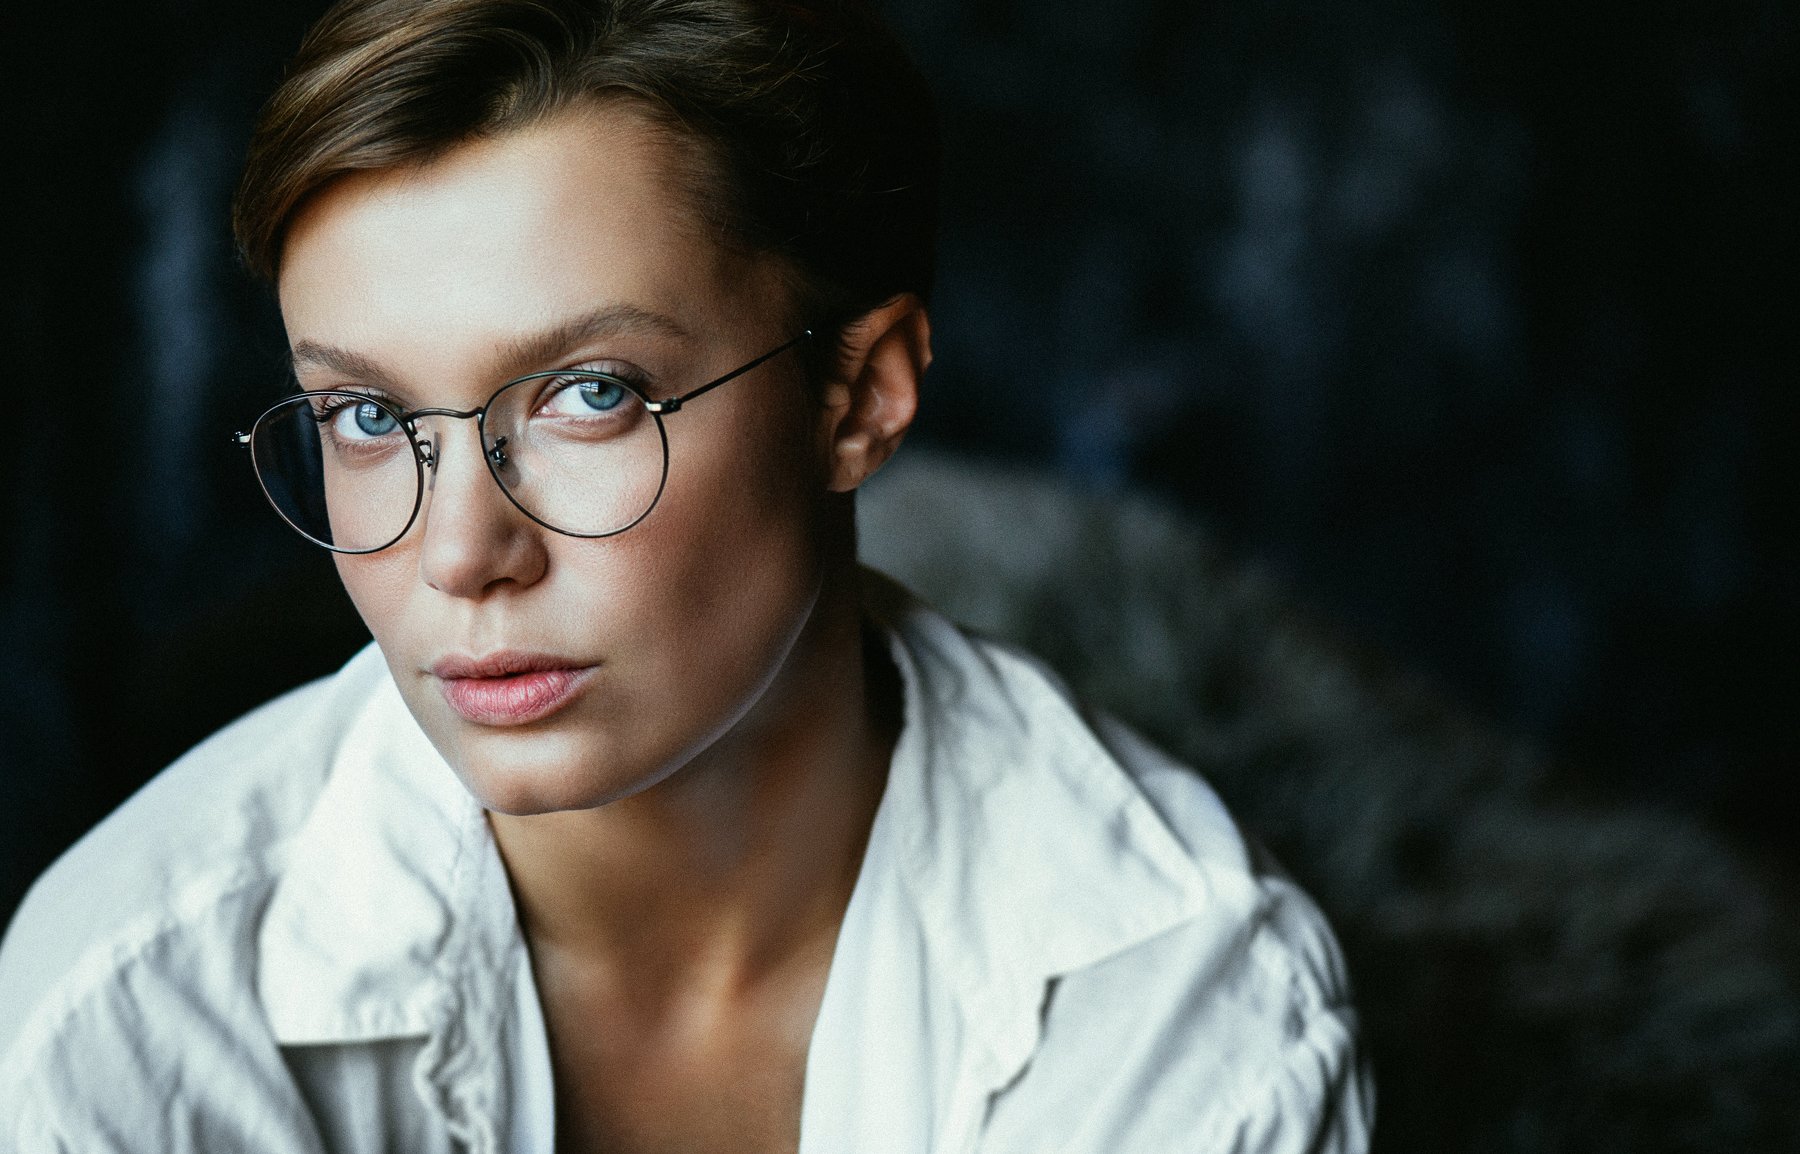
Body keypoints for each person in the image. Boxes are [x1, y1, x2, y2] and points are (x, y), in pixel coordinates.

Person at [0, 0, 1372, 1149]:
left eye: (590, 393)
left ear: (859, 397)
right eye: (367, 416)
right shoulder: (125, 1029)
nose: (460, 553)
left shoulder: (1187, 1012)